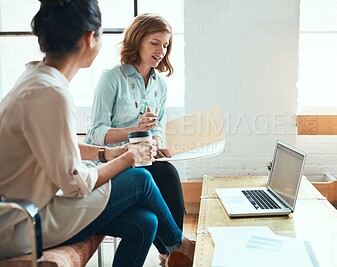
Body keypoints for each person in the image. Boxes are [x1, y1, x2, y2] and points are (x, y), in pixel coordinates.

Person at [0, 1, 194, 267]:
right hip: (22, 223)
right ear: (90, 38)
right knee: (139, 178)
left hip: (28, 211)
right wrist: (127, 158)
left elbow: (59, 147)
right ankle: (182, 247)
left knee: (145, 223)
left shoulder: (37, 80)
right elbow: (75, 183)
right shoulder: (51, 93)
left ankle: (178, 247)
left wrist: (109, 153)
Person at [84, 13, 185, 263]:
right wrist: (134, 129)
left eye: (165, 45)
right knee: (160, 176)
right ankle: (173, 251)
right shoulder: (112, 78)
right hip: (110, 164)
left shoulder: (159, 86)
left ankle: (170, 253)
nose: (161, 50)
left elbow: (157, 126)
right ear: (137, 40)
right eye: (155, 43)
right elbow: (97, 133)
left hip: (143, 160)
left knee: (167, 173)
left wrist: (158, 143)